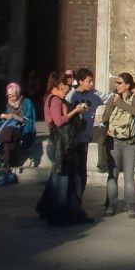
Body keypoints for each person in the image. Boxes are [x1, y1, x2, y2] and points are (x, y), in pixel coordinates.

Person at [36, 71, 92, 226]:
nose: (70, 88)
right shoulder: (54, 100)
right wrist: (75, 111)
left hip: (61, 143)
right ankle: (57, 217)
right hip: (59, 145)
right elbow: (58, 121)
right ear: (60, 85)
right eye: (69, 85)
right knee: (61, 182)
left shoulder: (57, 99)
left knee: (56, 180)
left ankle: (47, 210)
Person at [100, 73, 135, 217]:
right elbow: (105, 116)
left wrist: (120, 103)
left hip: (130, 142)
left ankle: (131, 207)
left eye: (119, 83)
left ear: (127, 85)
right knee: (112, 175)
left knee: (129, 177)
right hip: (113, 141)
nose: (116, 85)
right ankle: (111, 206)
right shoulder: (112, 99)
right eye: (116, 82)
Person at [67, 68, 109, 195]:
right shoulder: (71, 96)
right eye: (89, 81)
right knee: (73, 170)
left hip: (87, 135)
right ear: (80, 81)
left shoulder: (96, 95)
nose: (91, 84)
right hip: (73, 136)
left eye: (92, 81)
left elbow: (109, 100)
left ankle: (78, 199)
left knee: (81, 171)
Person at [0, 83, 34, 170]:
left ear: (18, 94)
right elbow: (7, 122)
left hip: (23, 130)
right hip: (11, 133)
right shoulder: (8, 104)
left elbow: (28, 121)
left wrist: (13, 116)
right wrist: (5, 117)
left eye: (12, 96)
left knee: (9, 132)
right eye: (8, 96)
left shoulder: (27, 102)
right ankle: (8, 164)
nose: (10, 98)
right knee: (8, 140)